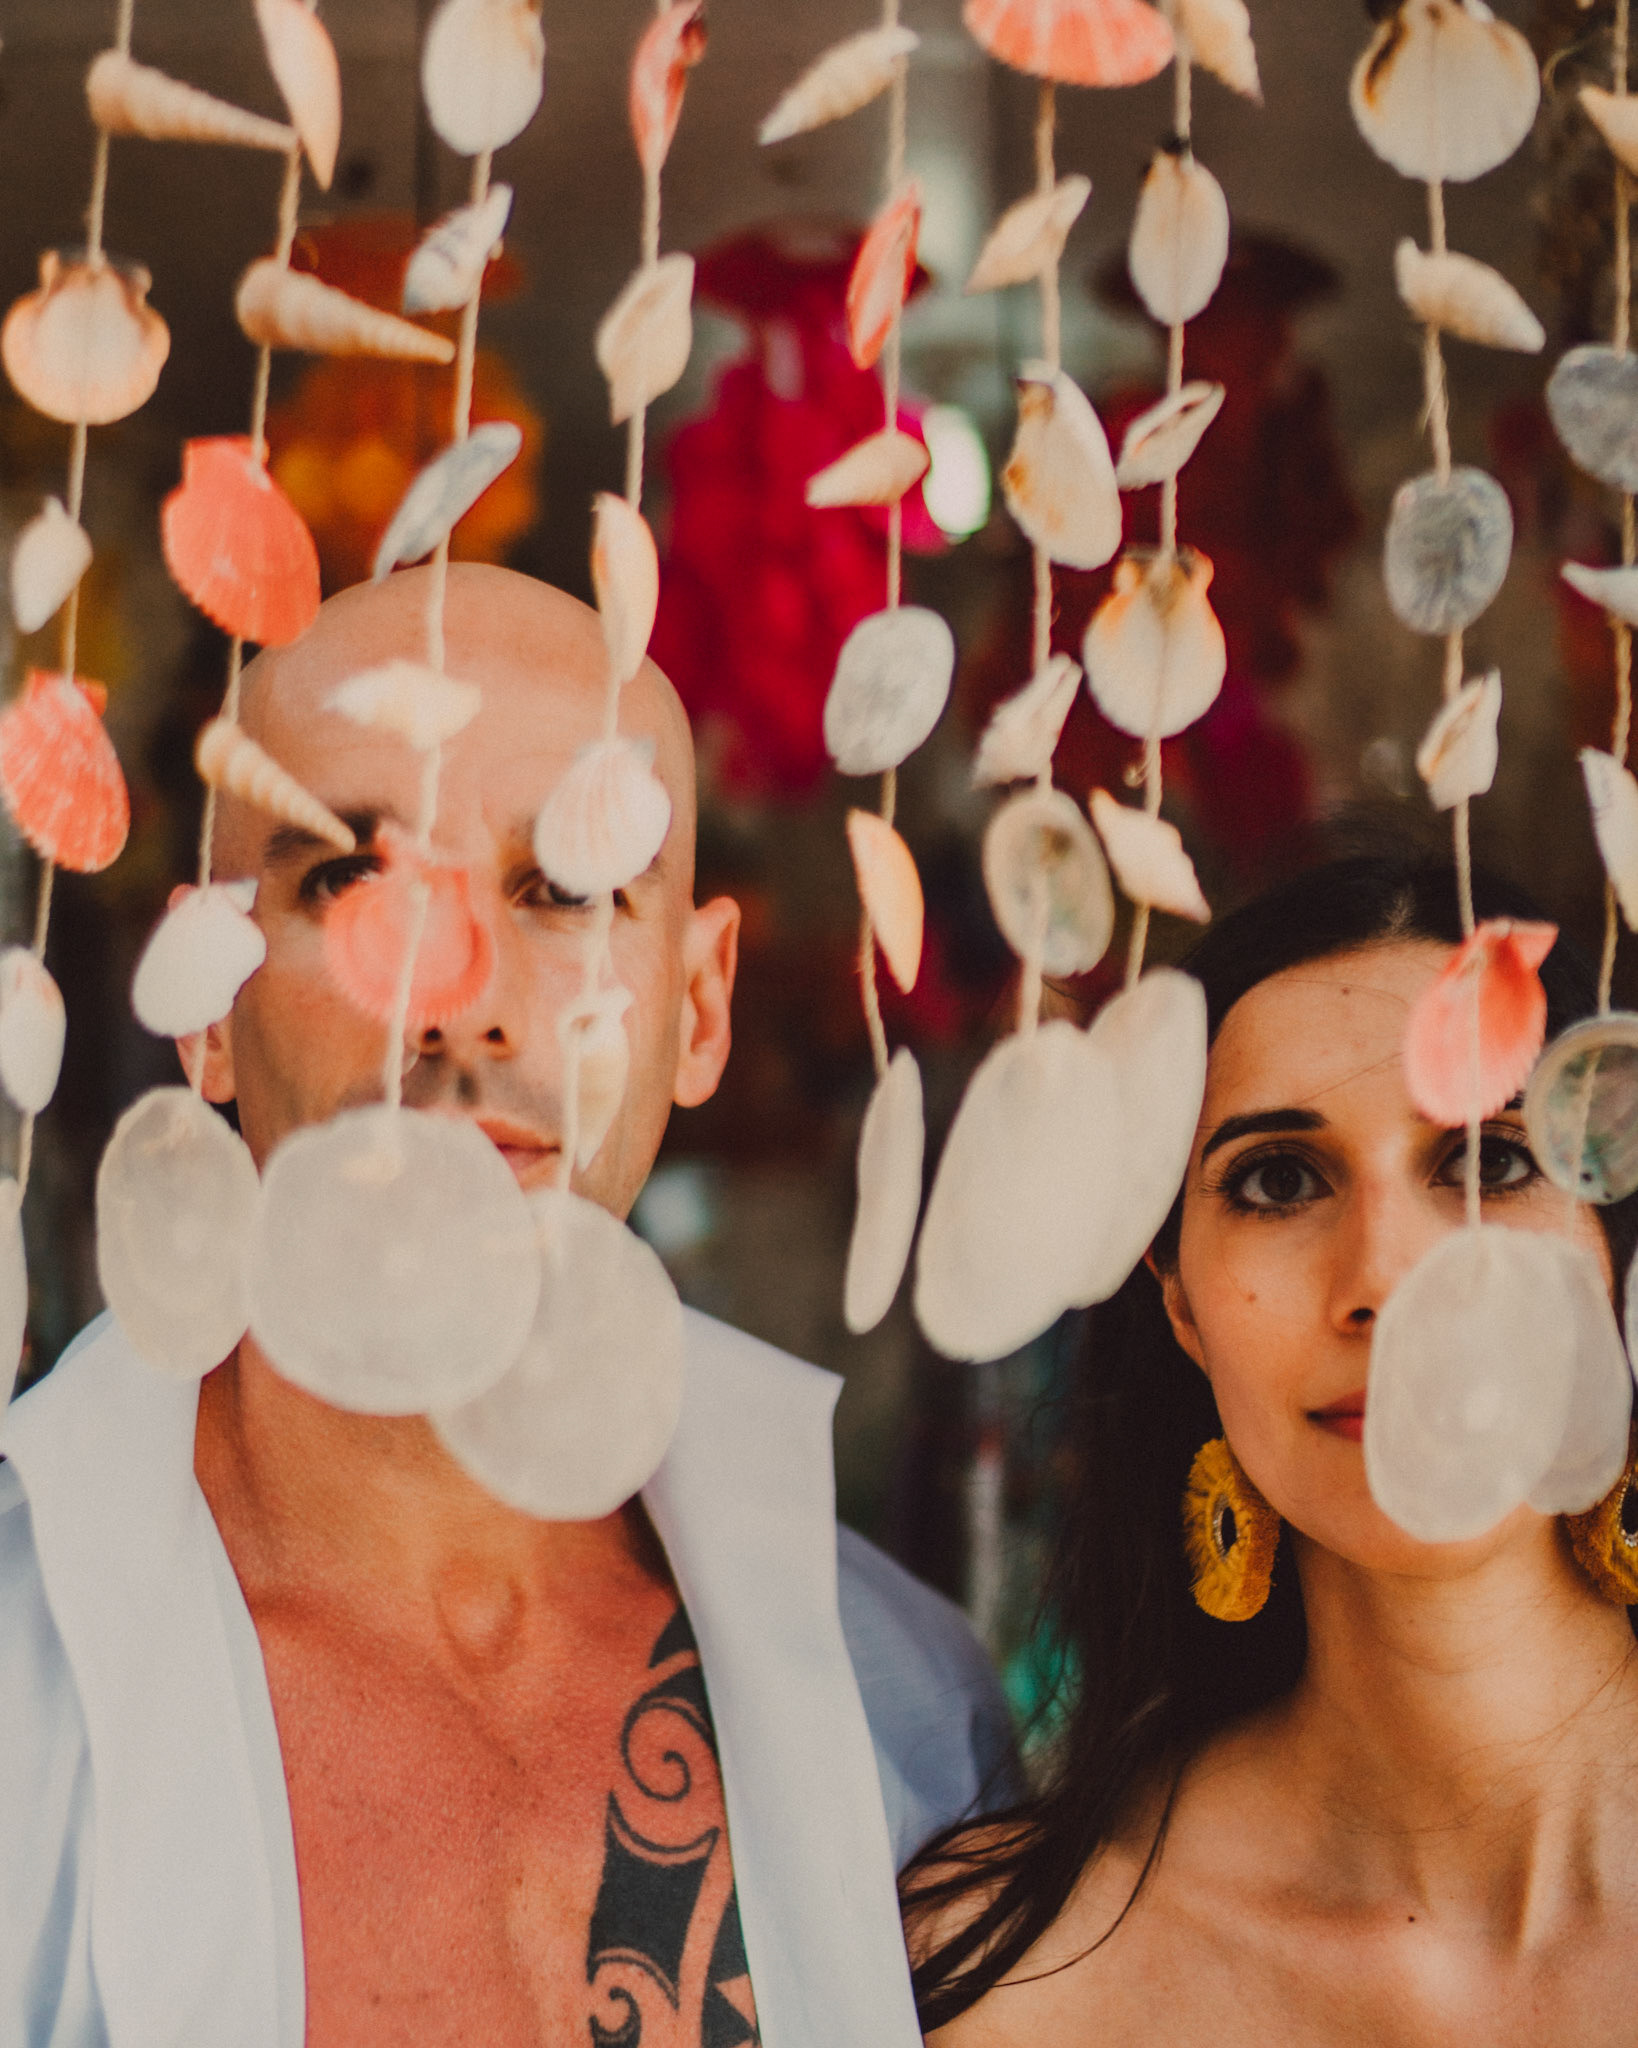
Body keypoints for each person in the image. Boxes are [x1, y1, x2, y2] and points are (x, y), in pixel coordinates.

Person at [0, 564, 1016, 2048]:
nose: (458, 999)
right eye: (352, 878)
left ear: (703, 1007)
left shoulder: (909, 1712)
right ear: (204, 999)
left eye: (571, 889)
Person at [904, 850, 1638, 2047]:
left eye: (1492, 1158)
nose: (1387, 1278)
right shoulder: (1012, 1975)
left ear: (1618, 1251)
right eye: (1281, 1178)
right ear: (1179, 1299)